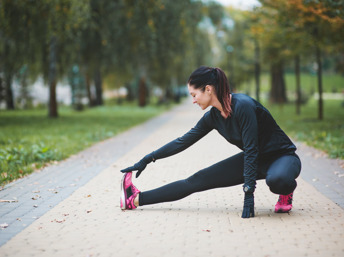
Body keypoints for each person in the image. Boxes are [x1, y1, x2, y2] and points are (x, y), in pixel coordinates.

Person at [120, 66, 301, 218]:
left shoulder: (243, 106)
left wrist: (248, 196)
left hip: (282, 157)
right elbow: (182, 142)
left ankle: (286, 193)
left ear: (208, 89)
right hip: (255, 159)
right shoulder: (212, 117)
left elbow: (252, 149)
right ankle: (135, 198)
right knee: (196, 181)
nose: (193, 101)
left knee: (277, 179)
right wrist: (148, 158)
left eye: (194, 94)